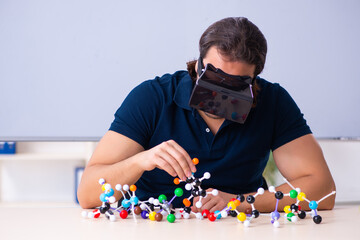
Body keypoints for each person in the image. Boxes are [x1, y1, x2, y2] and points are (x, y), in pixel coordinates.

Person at [77, 17, 336, 213]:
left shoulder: (274, 102)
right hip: (151, 225)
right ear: (198, 65)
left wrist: (239, 201)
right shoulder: (152, 97)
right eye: (213, 77)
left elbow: (323, 189)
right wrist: (141, 161)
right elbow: (88, 193)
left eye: (235, 85)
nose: (221, 91)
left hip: (238, 226)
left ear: (254, 79)